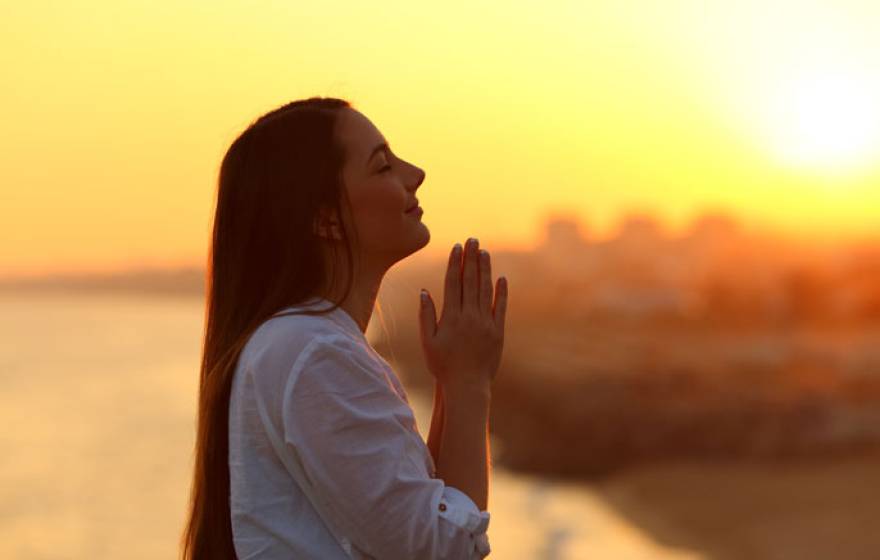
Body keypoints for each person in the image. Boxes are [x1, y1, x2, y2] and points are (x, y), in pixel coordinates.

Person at [180, 96, 508, 559]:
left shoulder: (303, 343)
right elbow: (443, 550)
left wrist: (453, 386)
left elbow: (425, 514)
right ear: (325, 218)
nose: (414, 173)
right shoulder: (314, 351)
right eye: (382, 166)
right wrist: (471, 383)